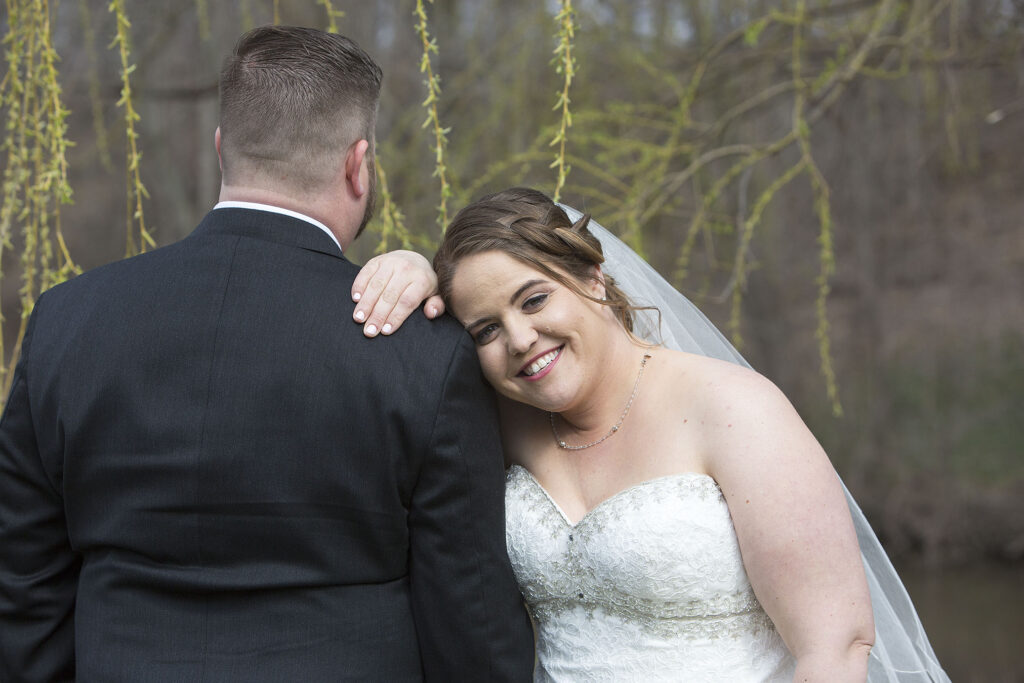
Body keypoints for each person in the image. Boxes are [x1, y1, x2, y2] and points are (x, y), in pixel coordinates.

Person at [0, 27, 533, 682]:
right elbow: (468, 614)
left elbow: (24, 580)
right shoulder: (422, 348)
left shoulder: (66, 320)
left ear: (223, 148)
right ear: (357, 165)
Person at [358, 187, 950, 682]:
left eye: (534, 299)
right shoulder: (502, 424)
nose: (519, 338)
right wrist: (410, 268)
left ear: (593, 277)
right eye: (487, 330)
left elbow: (836, 644)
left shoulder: (731, 407)